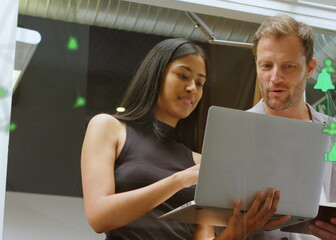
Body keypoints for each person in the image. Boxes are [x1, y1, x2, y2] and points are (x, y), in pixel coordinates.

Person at [81, 38, 290, 240]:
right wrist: (179, 180)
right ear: (155, 75)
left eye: (200, 83)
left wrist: (239, 230)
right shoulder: (109, 128)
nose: (192, 88)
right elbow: (99, 217)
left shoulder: (199, 162)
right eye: (183, 76)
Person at [246, 15, 336, 240]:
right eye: (266, 66)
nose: (275, 78)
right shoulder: (239, 133)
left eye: (288, 66)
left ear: (310, 68)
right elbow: (212, 224)